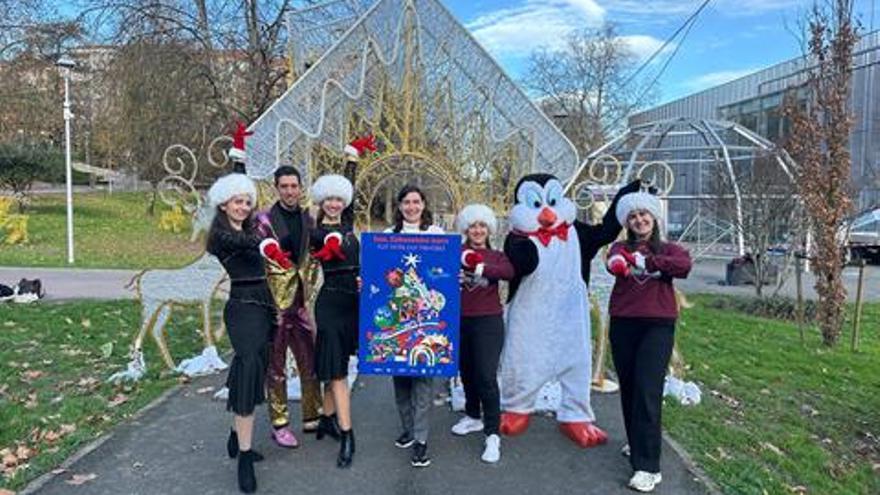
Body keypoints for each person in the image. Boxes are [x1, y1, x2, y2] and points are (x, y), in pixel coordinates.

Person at [206, 172, 292, 493]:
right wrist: (266, 243)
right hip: (242, 309)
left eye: (246, 202)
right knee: (248, 365)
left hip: (264, 306)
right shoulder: (219, 236)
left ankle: (234, 434)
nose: (243, 207)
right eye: (237, 202)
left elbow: (262, 237)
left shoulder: (253, 228)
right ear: (224, 204)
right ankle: (244, 455)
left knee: (254, 371)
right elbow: (242, 242)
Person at [606, 190, 692, 493]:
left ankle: (648, 467)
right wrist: (626, 261)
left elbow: (683, 265)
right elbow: (613, 261)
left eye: (644, 215)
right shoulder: (620, 246)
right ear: (627, 222)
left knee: (647, 390)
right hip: (624, 323)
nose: (639, 219)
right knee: (629, 388)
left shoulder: (669, 249)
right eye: (633, 216)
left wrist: (648, 262)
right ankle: (637, 441)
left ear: (654, 218)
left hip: (657, 326)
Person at [309, 136, 374, 468]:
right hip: (332, 303)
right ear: (321, 202)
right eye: (329, 199)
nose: (334, 204)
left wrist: (352, 157)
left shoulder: (348, 224)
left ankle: (325, 418)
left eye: (339, 199)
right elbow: (321, 249)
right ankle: (347, 434)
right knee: (339, 372)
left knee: (338, 362)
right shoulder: (317, 232)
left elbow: (348, 187)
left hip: (355, 303)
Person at [262, 165, 323, 447]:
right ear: (277, 188)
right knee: (276, 368)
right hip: (275, 305)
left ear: (301, 188)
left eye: (293, 186)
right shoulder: (263, 221)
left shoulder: (309, 219)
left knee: (310, 362)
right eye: (284, 186)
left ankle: (313, 415)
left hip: (301, 303)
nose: (289, 191)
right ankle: (280, 422)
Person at [384, 184, 443, 468]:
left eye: (416, 202)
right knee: (401, 380)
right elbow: (378, 274)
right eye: (406, 202)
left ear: (423, 204)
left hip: (426, 323)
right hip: (399, 321)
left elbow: (444, 273)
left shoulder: (436, 236)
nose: (411, 207)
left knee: (423, 382)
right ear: (399, 206)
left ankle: (421, 440)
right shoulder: (387, 237)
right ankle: (408, 428)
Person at [452, 204, 514, 463]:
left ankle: (492, 434)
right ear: (466, 229)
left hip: (488, 322)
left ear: (488, 229)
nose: (477, 231)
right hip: (459, 319)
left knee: (486, 376)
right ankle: (472, 416)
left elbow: (509, 272)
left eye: (482, 226)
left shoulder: (496, 255)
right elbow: (434, 272)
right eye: (472, 226)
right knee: (466, 371)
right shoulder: (454, 252)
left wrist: (479, 267)